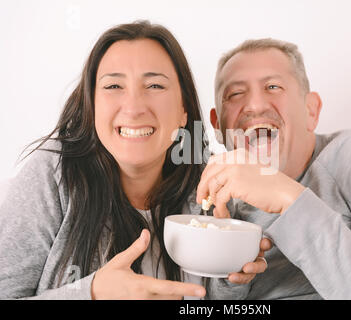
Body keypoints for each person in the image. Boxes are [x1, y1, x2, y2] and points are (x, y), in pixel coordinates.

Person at [0, 21, 267, 300]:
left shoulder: (209, 187)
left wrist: (232, 278)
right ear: (91, 106)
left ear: (183, 110)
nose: (134, 107)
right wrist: (90, 293)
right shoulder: (51, 176)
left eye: (154, 85)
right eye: (114, 85)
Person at [199, 38, 351, 299]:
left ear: (311, 110)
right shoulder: (213, 201)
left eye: (273, 87)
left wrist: (288, 199)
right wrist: (229, 280)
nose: (255, 105)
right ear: (217, 125)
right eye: (236, 94)